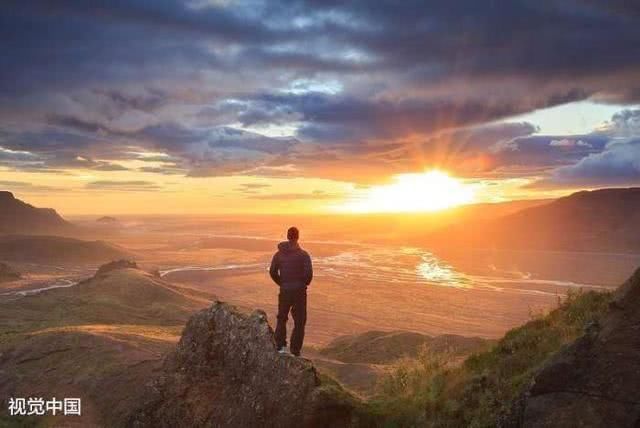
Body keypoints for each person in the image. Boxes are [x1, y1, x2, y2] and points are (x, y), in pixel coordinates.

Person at [269, 226, 313, 356]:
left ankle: (279, 346)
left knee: (282, 318)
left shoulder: (278, 254)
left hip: (285, 290)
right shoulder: (303, 255)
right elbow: (309, 274)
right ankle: (295, 351)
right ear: (297, 237)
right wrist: (302, 284)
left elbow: (272, 272)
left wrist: (282, 283)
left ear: (288, 236)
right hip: (299, 292)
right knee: (300, 321)